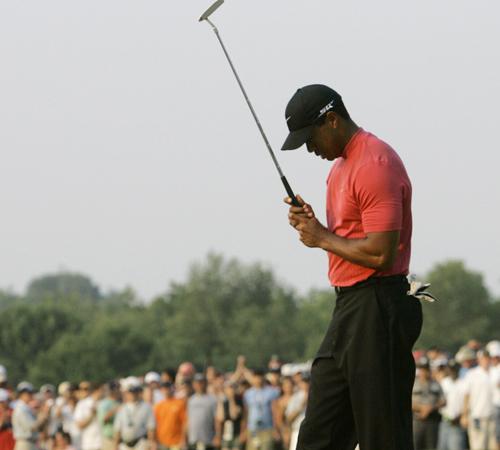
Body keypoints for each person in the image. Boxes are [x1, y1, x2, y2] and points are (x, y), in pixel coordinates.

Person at [282, 84, 422, 450]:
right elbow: (346, 236)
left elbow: (381, 254)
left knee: (383, 437)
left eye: (309, 138)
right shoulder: (341, 167)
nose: (309, 149)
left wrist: (321, 238)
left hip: (380, 306)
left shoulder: (375, 163)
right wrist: (316, 227)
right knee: (317, 437)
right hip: (349, 308)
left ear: (331, 120)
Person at [461, 350, 496, 450]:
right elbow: (466, 395)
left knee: (493, 446)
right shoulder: (472, 374)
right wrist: (464, 414)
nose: (486, 360)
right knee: (478, 446)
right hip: (477, 416)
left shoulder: (495, 372)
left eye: (487, 358)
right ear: (479, 360)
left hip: (493, 416)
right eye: (483, 358)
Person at [113, 377, 156, 450]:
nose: (132, 394)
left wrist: (151, 443)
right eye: (130, 391)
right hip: (125, 445)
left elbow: (150, 428)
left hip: (141, 443)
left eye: (134, 391)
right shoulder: (122, 408)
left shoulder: (146, 407)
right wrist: (115, 446)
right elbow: (117, 430)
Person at [412, 358, 445, 450]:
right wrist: (421, 408)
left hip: (432, 420)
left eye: (426, 369)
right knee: (415, 445)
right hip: (416, 420)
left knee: (431, 446)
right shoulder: (413, 383)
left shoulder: (435, 384)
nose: (424, 372)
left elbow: (443, 401)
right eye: (421, 369)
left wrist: (431, 407)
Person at [243, 369, 280, 450]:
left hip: (267, 429)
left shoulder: (271, 392)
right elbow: (246, 413)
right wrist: (244, 430)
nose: (258, 379)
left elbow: (275, 411)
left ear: (263, 377)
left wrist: (276, 429)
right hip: (252, 430)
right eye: (255, 377)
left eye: (260, 377)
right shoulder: (248, 393)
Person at [437, 361, 466, 450]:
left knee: (456, 447)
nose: (453, 372)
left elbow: (467, 402)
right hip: (445, 420)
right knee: (442, 447)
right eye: (451, 369)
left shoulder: (464, 382)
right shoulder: (444, 382)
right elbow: (440, 400)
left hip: (457, 422)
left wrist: (461, 415)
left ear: (458, 370)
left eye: (455, 369)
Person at [12, 382, 50, 450]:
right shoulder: (20, 409)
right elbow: (32, 427)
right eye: (29, 393)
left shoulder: (25, 408)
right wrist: (43, 416)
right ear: (22, 394)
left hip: (30, 443)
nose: (31, 395)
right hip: (24, 443)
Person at [186, 374, 217, 450]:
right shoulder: (190, 400)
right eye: (196, 383)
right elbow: (187, 420)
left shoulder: (212, 400)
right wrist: (185, 438)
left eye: (201, 382)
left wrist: (217, 436)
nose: (199, 385)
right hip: (193, 439)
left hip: (208, 439)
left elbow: (217, 419)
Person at [154, 382, 187, 450]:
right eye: (164, 389)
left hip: (176, 442)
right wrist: (155, 441)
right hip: (162, 442)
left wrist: (183, 440)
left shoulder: (180, 403)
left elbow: (185, 423)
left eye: (168, 388)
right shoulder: (158, 406)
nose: (166, 391)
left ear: (172, 389)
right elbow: (155, 424)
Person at [216, 382, 244, 450]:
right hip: (225, 435)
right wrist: (220, 401)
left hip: (236, 434)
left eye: (232, 388)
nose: (230, 390)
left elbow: (234, 415)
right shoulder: (224, 402)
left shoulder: (239, 401)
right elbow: (220, 418)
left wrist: (231, 399)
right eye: (228, 388)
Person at [285, 374, 309, 450]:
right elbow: (288, 418)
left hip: (313, 432)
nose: (306, 384)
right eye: (304, 382)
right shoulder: (295, 397)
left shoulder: (317, 396)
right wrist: (301, 406)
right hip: (297, 431)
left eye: (308, 381)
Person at [98, 381, 122, 450]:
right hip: (109, 439)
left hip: (120, 439)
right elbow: (103, 420)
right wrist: (114, 410)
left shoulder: (120, 402)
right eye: (117, 389)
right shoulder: (104, 404)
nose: (119, 391)